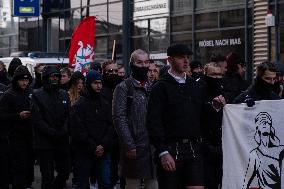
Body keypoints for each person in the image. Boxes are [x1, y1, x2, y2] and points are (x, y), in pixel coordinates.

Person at [146, 44, 225, 189]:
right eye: (181, 57)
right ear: (170, 60)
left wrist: (214, 106)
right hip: (170, 148)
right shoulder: (160, 87)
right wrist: (163, 151)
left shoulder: (194, 85)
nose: (186, 61)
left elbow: (200, 115)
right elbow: (153, 122)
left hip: (194, 148)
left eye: (188, 57)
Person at [113, 49, 158, 189]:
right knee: (133, 184)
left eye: (146, 62)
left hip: (152, 147)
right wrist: (129, 145)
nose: (143, 66)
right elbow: (119, 118)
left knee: (153, 185)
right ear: (132, 64)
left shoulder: (153, 87)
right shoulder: (124, 87)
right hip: (134, 146)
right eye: (139, 62)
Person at [70, 70, 113, 189]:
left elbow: (110, 126)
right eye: (95, 83)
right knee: (83, 183)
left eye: (100, 83)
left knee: (105, 182)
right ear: (89, 84)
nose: (99, 86)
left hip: (102, 150)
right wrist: (94, 146)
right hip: (84, 151)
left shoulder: (104, 103)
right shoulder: (79, 105)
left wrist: (103, 145)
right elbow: (78, 130)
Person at [32, 65, 71, 189]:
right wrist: (51, 132)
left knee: (65, 171)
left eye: (57, 76)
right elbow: (37, 119)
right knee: (47, 176)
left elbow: (69, 115)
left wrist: (63, 130)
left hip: (62, 140)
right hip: (45, 142)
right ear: (46, 78)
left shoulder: (64, 94)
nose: (54, 79)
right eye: (52, 76)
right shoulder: (37, 95)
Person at [0, 65, 34, 189]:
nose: (25, 83)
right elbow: (2, 115)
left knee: (27, 167)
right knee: (18, 169)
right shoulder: (8, 95)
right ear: (16, 80)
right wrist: (17, 116)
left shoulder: (31, 93)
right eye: (22, 80)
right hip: (14, 138)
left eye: (26, 80)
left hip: (29, 136)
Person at [242, 112, 284, 189]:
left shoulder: (281, 150)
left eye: (267, 122)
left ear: (271, 127)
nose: (264, 123)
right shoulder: (255, 154)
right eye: (261, 122)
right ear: (257, 128)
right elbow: (246, 182)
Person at [202, 63, 225, 189]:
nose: (217, 77)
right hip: (205, 146)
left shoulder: (224, 90)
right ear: (206, 75)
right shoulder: (199, 91)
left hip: (221, 145)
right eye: (213, 74)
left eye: (219, 74)